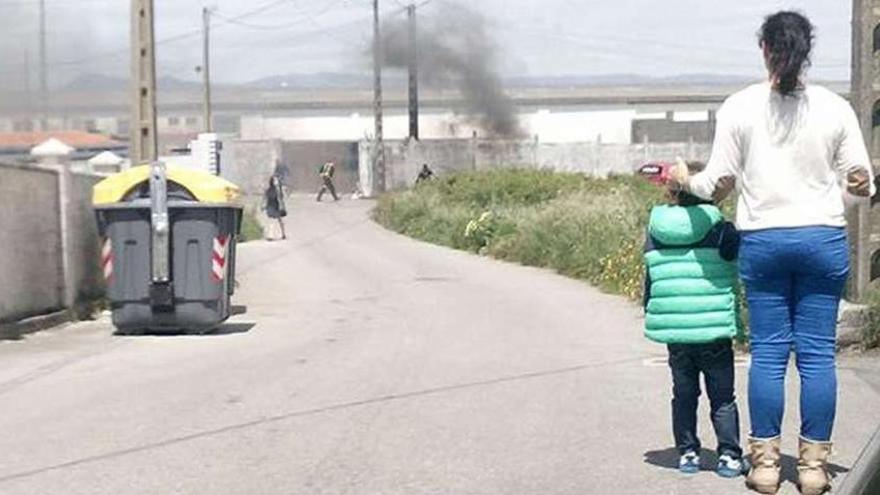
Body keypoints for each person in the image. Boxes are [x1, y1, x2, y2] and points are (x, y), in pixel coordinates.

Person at [670, 11, 875, 495]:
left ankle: (764, 467)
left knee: (767, 354)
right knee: (818, 357)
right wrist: (835, 203)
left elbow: (716, 184)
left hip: (763, 241)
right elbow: (861, 182)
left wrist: (683, 180)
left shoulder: (739, 107)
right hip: (822, 240)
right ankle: (813, 469)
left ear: (764, 49)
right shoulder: (834, 107)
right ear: (807, 53)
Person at [643, 164, 744, 479]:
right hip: (714, 331)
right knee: (723, 398)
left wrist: (654, 310)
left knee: (684, 394)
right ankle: (728, 455)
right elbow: (739, 260)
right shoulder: (722, 230)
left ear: (672, 193)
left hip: (677, 332)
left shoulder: (656, 229)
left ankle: (687, 452)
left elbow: (651, 281)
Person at [264, 171, 287, 241]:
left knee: (274, 221)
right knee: (277, 221)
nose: (277, 182)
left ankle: (273, 235)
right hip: (274, 207)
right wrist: (282, 207)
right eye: (276, 181)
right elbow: (280, 199)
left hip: (272, 206)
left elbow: (265, 198)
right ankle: (281, 234)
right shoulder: (276, 190)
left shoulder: (268, 190)